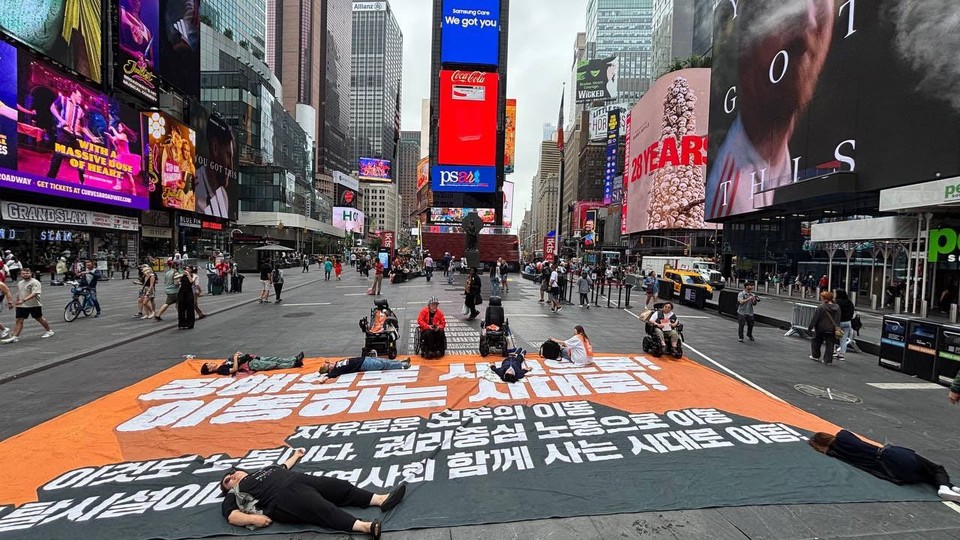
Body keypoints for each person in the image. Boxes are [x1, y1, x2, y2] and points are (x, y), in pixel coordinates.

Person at [218, 448, 405, 538]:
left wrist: (296, 456)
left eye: (233, 472)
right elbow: (232, 516)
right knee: (321, 508)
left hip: (299, 480)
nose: (232, 476)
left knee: (339, 486)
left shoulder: (264, 470)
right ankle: (365, 527)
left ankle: (381, 499)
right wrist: (253, 519)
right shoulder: (234, 494)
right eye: (227, 480)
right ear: (227, 488)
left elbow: (284, 466)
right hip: (282, 498)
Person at [808, 430, 960, 502]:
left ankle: (951, 487)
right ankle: (945, 488)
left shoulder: (832, 453)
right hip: (893, 456)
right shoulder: (843, 435)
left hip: (892, 472)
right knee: (935, 468)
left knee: (927, 474)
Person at [1, 268, 54, 343]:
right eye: (23, 273)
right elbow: (19, 293)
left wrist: (23, 300)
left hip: (34, 304)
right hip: (22, 305)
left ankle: (49, 331)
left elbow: (34, 293)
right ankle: (15, 337)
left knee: (39, 318)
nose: (25, 275)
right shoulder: (20, 283)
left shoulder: (35, 282)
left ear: (31, 273)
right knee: (19, 320)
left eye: (27, 273)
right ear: (21, 274)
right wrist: (16, 302)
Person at [202, 350, 305, 376]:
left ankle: (294, 358)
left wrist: (236, 356)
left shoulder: (222, 364)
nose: (211, 362)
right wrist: (235, 357)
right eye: (209, 364)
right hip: (251, 365)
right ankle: (294, 364)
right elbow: (234, 369)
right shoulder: (221, 369)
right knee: (273, 364)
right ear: (210, 369)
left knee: (275, 359)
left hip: (251, 360)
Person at [317, 356, 412, 382]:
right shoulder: (335, 371)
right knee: (383, 364)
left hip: (364, 359)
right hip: (363, 364)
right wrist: (322, 377)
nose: (330, 363)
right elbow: (326, 377)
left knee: (383, 361)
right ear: (329, 370)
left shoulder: (337, 363)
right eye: (328, 365)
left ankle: (400, 361)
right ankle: (402, 365)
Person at [808, 290, 840, 365]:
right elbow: (838, 318)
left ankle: (815, 355)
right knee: (830, 345)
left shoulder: (821, 307)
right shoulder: (837, 307)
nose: (821, 299)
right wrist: (837, 327)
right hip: (832, 329)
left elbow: (815, 318)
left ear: (825, 299)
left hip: (820, 328)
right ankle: (827, 360)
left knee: (816, 341)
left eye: (821, 298)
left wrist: (810, 327)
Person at [835, 289, 855, 360]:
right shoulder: (849, 302)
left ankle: (834, 351)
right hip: (847, 322)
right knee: (843, 339)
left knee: (834, 336)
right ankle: (841, 354)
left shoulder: (837, 302)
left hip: (838, 322)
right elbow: (852, 311)